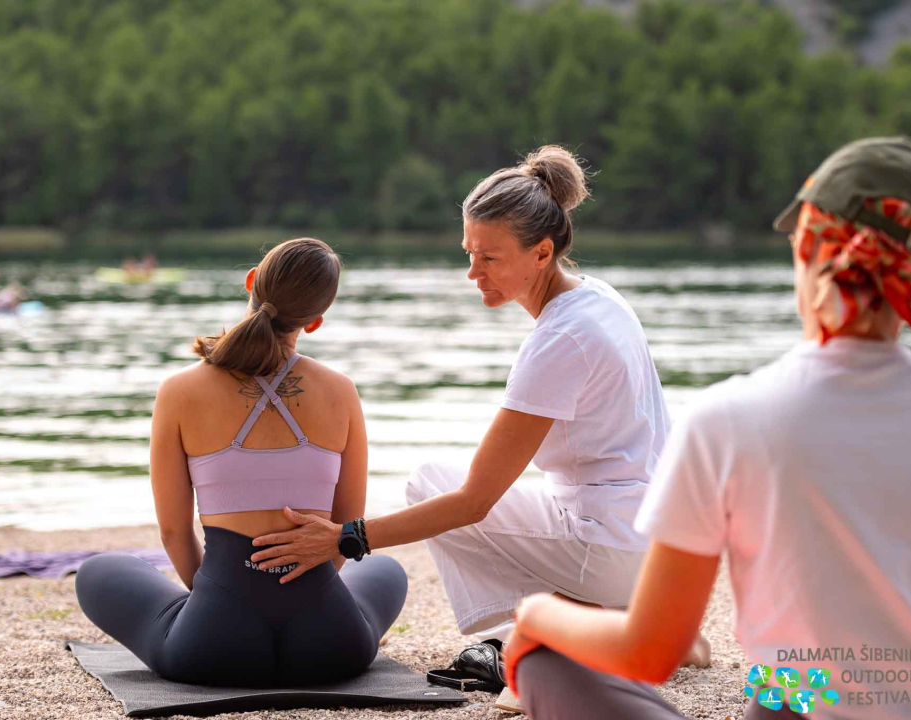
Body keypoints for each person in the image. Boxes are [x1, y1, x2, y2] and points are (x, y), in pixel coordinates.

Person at [502, 136, 911, 720]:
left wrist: (536, 615)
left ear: (808, 250)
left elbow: (651, 652)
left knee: (547, 660)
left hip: (795, 704)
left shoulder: (730, 419)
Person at [249, 146, 708, 666]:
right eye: (469, 252)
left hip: (617, 548)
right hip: (654, 541)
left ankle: (550, 636)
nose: (473, 272)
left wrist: (346, 539)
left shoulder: (560, 339)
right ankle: (618, 618)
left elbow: (473, 503)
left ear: (541, 252)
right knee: (452, 484)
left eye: (489, 258)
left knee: (433, 483)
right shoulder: (599, 298)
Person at [76, 238, 408, 687]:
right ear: (314, 321)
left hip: (213, 645)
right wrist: (297, 599)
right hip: (331, 644)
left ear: (250, 281)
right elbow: (346, 528)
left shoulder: (179, 392)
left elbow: (174, 531)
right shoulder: (341, 391)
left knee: (98, 571)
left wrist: (221, 601)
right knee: (386, 568)